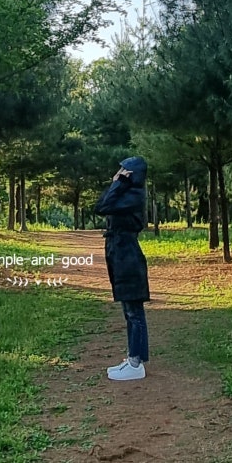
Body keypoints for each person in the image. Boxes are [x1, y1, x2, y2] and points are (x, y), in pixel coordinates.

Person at [95, 156, 150, 381]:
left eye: (123, 170)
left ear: (132, 174)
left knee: (134, 310)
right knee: (129, 310)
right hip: (119, 251)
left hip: (128, 254)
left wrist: (118, 183)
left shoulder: (134, 195)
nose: (118, 173)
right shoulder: (125, 193)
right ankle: (132, 358)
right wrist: (116, 183)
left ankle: (136, 364)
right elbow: (100, 204)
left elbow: (104, 207)